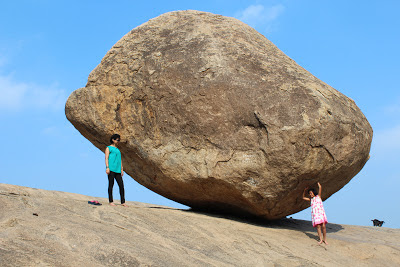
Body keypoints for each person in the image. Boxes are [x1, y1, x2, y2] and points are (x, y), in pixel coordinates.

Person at [105, 134, 126, 207]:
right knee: (111, 185)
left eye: (119, 140)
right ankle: (111, 201)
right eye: (117, 140)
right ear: (113, 140)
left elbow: (120, 160)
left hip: (118, 170)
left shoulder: (118, 150)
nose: (118, 141)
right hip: (111, 169)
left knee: (121, 185)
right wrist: (107, 167)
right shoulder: (108, 148)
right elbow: (106, 158)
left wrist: (122, 169)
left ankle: (123, 202)